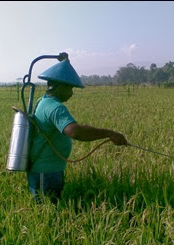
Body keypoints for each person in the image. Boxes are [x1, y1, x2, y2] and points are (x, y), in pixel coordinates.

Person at [27, 55, 127, 203]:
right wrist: (109, 134)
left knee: (50, 208)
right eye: (69, 87)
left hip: (48, 168)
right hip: (46, 171)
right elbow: (75, 131)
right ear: (57, 85)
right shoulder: (55, 107)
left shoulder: (43, 101)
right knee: (47, 210)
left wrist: (65, 63)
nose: (71, 93)